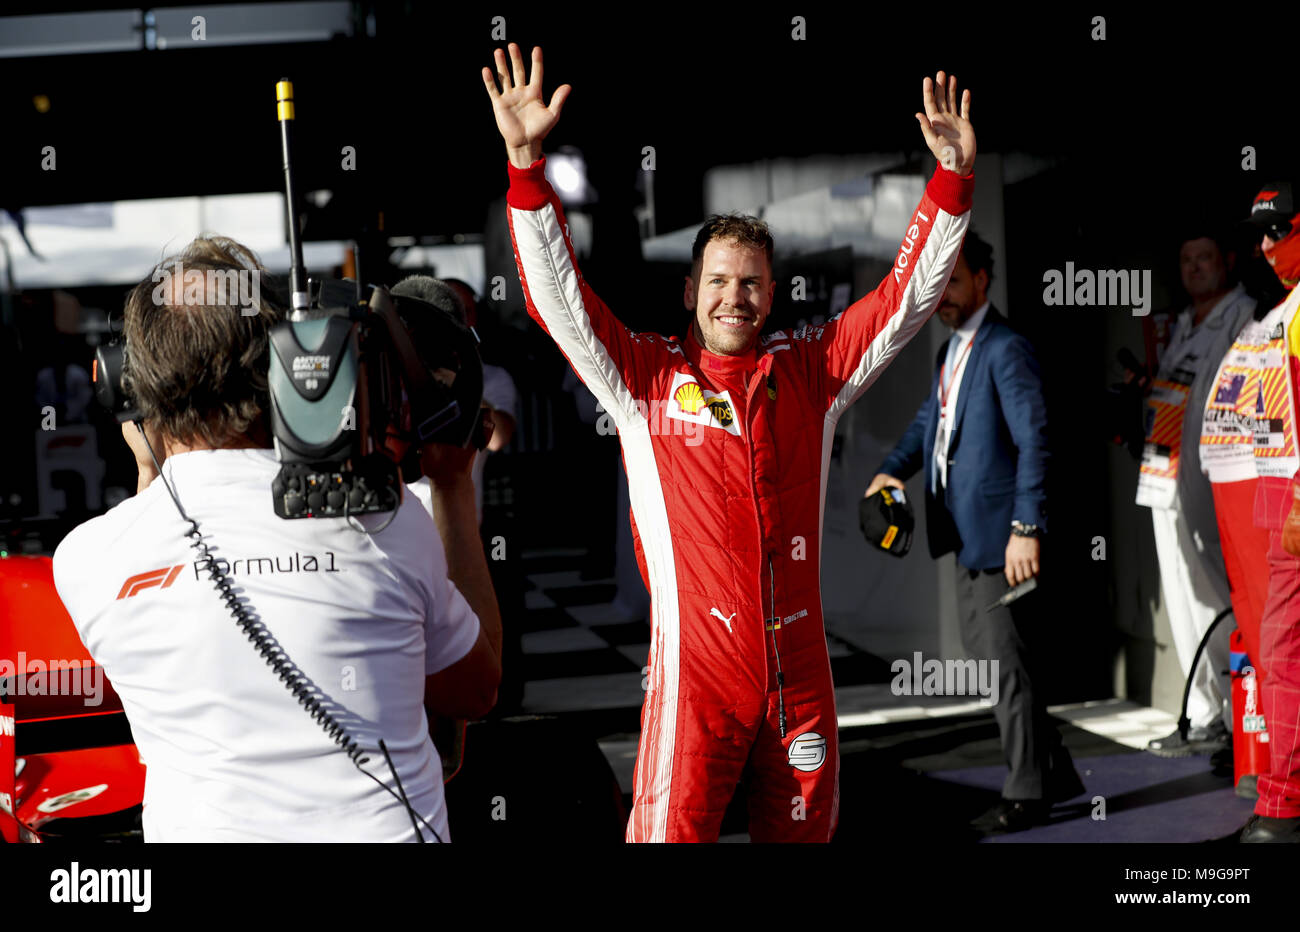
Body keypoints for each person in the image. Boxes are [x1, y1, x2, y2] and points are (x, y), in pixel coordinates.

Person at [483, 42, 976, 842]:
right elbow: (558, 301)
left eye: (750, 283)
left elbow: (903, 302)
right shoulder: (641, 378)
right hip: (694, 680)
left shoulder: (812, 371)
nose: (734, 298)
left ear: (772, 294)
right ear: (691, 291)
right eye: (718, 281)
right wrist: (526, 168)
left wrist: (950, 184)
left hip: (801, 678)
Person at [51, 237, 501, 842]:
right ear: (282, 366)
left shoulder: (86, 562)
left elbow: (186, 600)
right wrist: (452, 486)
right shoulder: (383, 521)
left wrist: (150, 468)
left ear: (128, 393)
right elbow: (476, 688)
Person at [866, 231, 1083, 835]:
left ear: (983, 279)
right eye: (938, 289)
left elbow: (1036, 443)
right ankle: (1053, 767)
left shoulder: (1006, 348)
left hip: (1001, 538)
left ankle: (1027, 793)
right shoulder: (951, 352)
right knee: (996, 661)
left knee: (1006, 668)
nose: (944, 299)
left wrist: (1026, 527)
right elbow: (925, 428)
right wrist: (890, 469)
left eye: (954, 284)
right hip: (964, 538)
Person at [1137, 232, 1257, 759]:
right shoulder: (1184, 322)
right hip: (1166, 476)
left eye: (1204, 257)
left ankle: (1242, 719)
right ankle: (1205, 714)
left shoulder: (1247, 316)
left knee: (1219, 597)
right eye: (1185, 259)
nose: (1195, 268)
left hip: (1216, 481)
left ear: (1227, 261)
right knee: (1185, 600)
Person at [1236, 183, 1300, 842]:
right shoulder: (1284, 308)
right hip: (1278, 503)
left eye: (1277, 230)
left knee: (1282, 658)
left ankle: (1283, 808)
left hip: (1295, 509)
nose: (1264, 246)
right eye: (1259, 234)